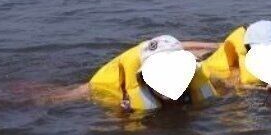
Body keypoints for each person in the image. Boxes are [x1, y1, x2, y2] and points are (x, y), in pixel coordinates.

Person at [50, 34, 221, 112]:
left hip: (165, 53)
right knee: (54, 98)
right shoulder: (117, 92)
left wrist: (214, 46)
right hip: (106, 84)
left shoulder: (199, 76)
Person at [200, 20, 271, 92]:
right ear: (247, 48)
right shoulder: (239, 65)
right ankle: (213, 46)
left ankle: (215, 45)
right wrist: (260, 89)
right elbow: (229, 85)